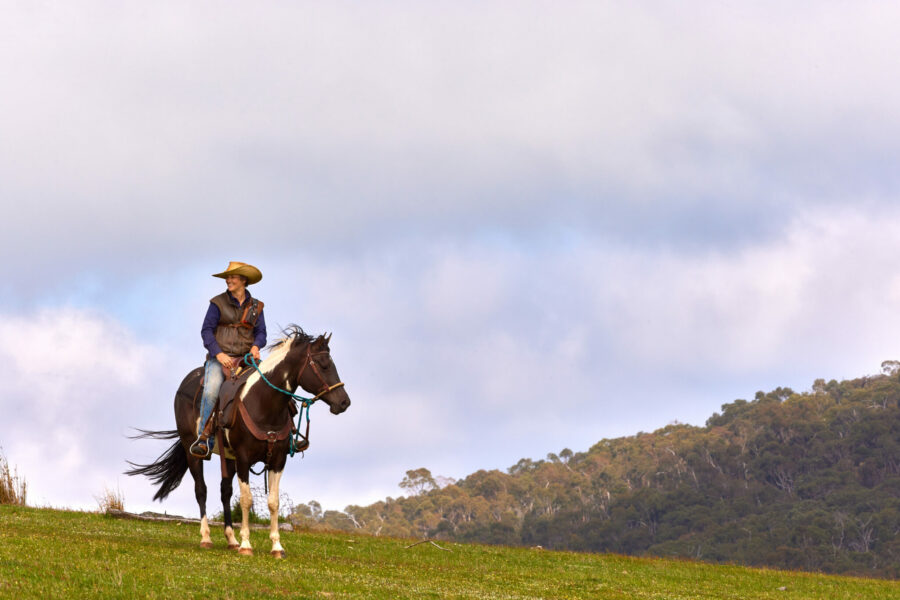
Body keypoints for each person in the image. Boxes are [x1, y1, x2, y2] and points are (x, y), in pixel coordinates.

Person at [190, 261, 267, 458]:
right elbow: (206, 331)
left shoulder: (257, 307)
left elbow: (261, 333)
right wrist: (219, 354)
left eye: (232, 277)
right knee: (212, 389)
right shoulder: (217, 303)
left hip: (246, 360)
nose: (228, 280)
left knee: (270, 385)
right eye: (227, 277)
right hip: (220, 358)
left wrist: (256, 346)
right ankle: (204, 438)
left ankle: (285, 435)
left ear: (243, 280)